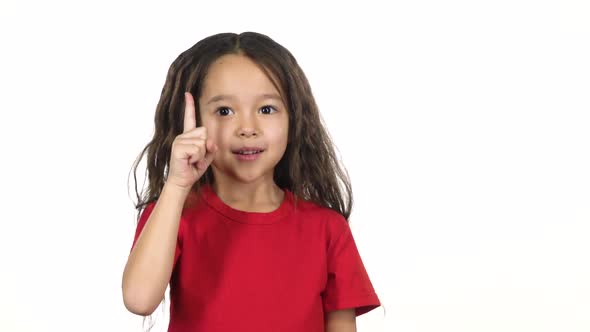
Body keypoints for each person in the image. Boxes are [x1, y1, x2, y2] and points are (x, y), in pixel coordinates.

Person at [122, 32, 381, 332]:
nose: (247, 128)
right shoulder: (173, 213)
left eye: (266, 109)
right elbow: (139, 300)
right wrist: (177, 185)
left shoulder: (327, 229)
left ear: (294, 119)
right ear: (192, 120)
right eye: (224, 111)